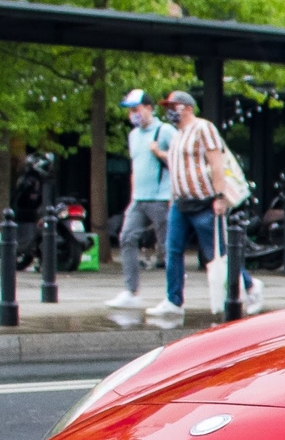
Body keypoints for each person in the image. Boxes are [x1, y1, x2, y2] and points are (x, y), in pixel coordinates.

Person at [153, 90, 261, 325]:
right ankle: (173, 300)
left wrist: (220, 196)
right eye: (168, 107)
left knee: (218, 253)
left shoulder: (204, 128)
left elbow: (216, 163)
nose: (170, 111)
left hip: (204, 203)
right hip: (181, 203)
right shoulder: (177, 135)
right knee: (173, 250)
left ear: (188, 108)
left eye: (175, 106)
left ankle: (249, 286)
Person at [105, 89, 173, 309]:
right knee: (127, 237)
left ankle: (173, 296)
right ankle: (131, 291)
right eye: (130, 111)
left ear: (149, 108)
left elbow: (181, 159)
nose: (132, 115)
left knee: (167, 247)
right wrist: (133, 196)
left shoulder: (165, 131)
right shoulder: (133, 135)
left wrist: (160, 154)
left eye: (136, 109)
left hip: (161, 199)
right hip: (139, 199)